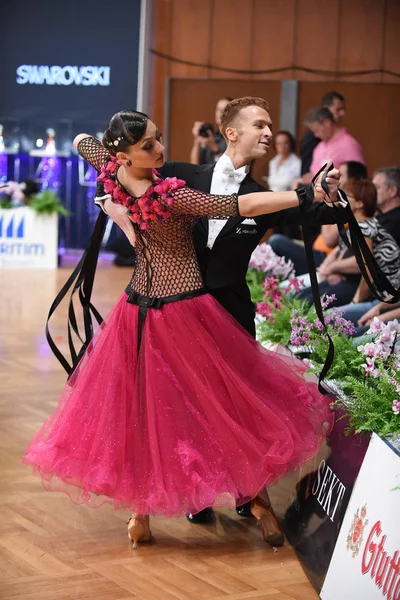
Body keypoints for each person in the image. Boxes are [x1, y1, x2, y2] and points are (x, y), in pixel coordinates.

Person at [23, 109, 341, 550]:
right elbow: (241, 205)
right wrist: (302, 193)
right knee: (188, 409)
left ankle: (171, 512)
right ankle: (145, 512)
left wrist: (115, 179)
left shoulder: (116, 172)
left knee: (164, 409)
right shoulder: (171, 196)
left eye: (158, 138)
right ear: (127, 153)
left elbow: (81, 140)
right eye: (148, 145)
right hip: (180, 312)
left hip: (139, 310)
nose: (159, 149)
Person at [98, 97, 351, 527]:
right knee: (176, 406)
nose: (269, 132)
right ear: (231, 132)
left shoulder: (262, 194)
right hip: (170, 311)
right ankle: (195, 492)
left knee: (236, 408)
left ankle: (245, 491)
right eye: (260, 124)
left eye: (272, 126)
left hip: (228, 311)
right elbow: (107, 161)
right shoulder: (177, 174)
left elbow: (311, 212)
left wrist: (333, 199)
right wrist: (114, 208)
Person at [299, 178, 400, 307]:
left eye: (346, 195)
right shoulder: (357, 224)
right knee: (302, 298)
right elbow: (342, 252)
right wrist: (335, 271)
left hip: (385, 295)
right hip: (364, 287)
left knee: (306, 304)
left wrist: (355, 302)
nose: (341, 198)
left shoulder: (364, 227)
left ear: (359, 204)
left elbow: (367, 269)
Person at [268, 161, 367, 275]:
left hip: (323, 259)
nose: (335, 176)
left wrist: (329, 200)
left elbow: (329, 239)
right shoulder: (340, 200)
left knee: (276, 241)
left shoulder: (349, 204)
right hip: (316, 251)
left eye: (341, 175)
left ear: (353, 179)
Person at [299, 107, 365, 184]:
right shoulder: (319, 146)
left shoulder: (349, 145)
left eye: (317, 130)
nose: (316, 135)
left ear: (327, 122)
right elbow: (313, 173)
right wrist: (300, 181)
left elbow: (358, 182)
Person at [300, 91, 346, 176]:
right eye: (338, 109)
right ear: (326, 109)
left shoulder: (345, 140)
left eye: (343, 109)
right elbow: (307, 170)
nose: (343, 113)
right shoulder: (313, 137)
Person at [190, 97, 232, 165]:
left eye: (224, 110)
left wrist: (214, 147)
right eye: (218, 109)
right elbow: (194, 165)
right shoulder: (211, 135)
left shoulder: (237, 138)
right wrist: (196, 140)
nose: (220, 113)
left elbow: (232, 168)